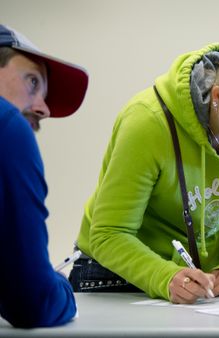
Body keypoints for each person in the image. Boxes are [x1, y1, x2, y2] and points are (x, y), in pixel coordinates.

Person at [69, 0, 219, 304]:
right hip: (112, 272)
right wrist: (163, 276)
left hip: (200, 280)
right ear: (218, 98)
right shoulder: (148, 122)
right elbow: (109, 233)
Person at [0, 24, 88, 327]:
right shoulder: (9, 127)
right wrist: (59, 284)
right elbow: (33, 301)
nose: (44, 109)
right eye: (32, 82)